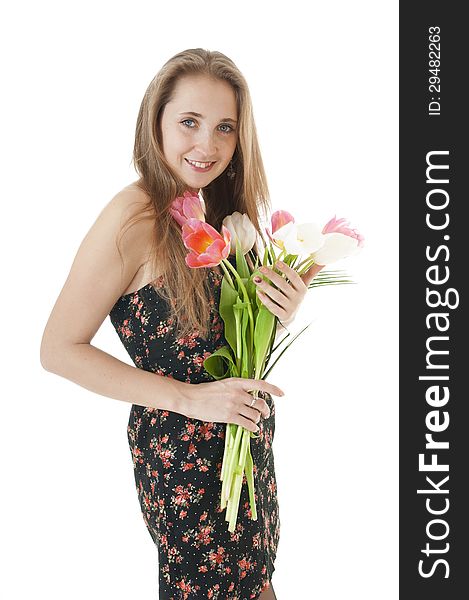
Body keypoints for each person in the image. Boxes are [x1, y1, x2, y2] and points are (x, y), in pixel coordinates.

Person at [40, 48, 320, 600]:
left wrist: (278, 308)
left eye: (225, 128)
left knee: (257, 583)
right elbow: (57, 348)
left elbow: (220, 339)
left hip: (243, 453)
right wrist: (192, 401)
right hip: (186, 463)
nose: (207, 145)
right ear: (156, 121)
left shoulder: (217, 209)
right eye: (189, 122)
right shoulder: (136, 215)